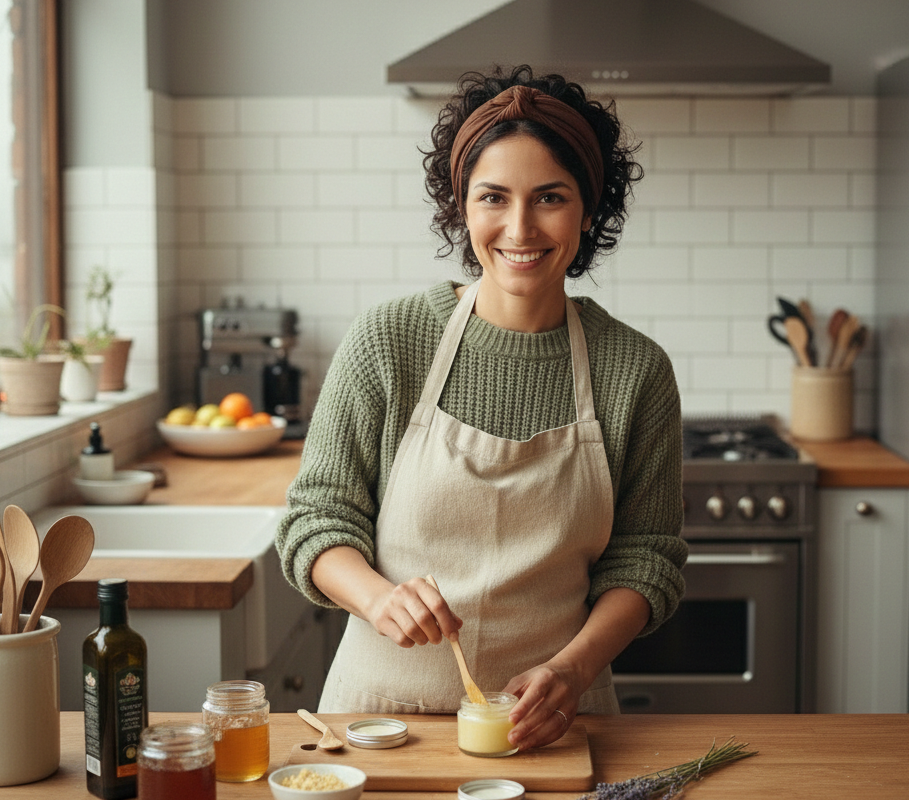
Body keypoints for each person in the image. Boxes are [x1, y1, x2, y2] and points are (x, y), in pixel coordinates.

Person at [276, 65, 687, 751]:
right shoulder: (390, 341)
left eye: (549, 197)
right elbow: (315, 520)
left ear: (588, 211)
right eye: (493, 197)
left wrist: (573, 668)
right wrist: (379, 598)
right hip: (380, 722)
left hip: (560, 725)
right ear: (460, 208)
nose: (519, 227)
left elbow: (647, 560)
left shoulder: (634, 370)